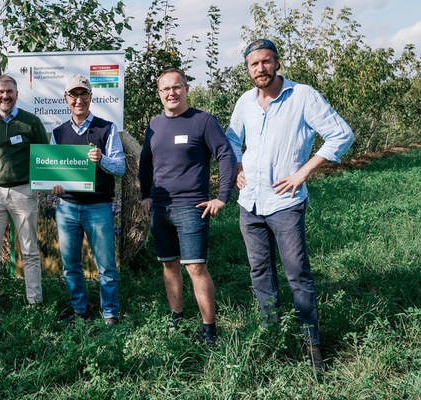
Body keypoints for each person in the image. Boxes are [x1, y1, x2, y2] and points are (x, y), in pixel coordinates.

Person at [226, 39, 354, 370]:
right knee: (260, 271)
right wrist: (237, 166)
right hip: (249, 202)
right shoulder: (245, 102)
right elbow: (230, 139)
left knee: (297, 273)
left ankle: (312, 344)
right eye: (254, 64)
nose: (261, 69)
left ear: (277, 63)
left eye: (266, 62)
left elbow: (341, 134)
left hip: (285, 202)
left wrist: (303, 172)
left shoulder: (303, 96)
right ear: (248, 70)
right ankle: (273, 336)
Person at [138, 68, 236, 344]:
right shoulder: (154, 125)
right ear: (159, 94)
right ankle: (176, 318)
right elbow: (146, 163)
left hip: (192, 207)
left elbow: (226, 156)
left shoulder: (203, 121)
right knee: (169, 265)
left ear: (186, 89)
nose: (172, 93)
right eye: (166, 89)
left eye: (177, 87)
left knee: (195, 267)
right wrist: (146, 195)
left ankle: (209, 330)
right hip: (160, 207)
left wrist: (222, 196)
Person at [51, 75, 126, 326]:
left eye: (83, 94)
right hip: (67, 208)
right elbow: (53, 173)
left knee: (105, 266)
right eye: (73, 95)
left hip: (98, 208)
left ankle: (110, 313)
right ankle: (80, 310)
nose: (78, 100)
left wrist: (101, 159)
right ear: (66, 99)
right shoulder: (58, 133)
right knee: (71, 265)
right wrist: (54, 184)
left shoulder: (107, 128)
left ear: (91, 97)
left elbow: (121, 168)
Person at [0, 74, 48, 317]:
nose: (5, 96)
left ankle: (35, 302)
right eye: (1, 92)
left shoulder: (31, 122)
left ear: (17, 94)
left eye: (10, 92)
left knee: (30, 250)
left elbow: (42, 155)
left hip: (23, 192)